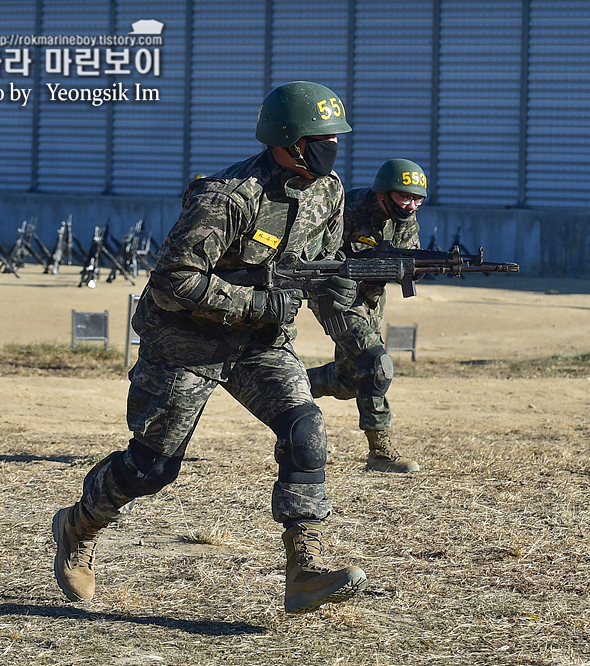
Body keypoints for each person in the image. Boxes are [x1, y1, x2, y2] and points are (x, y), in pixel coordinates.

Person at [52, 81, 367, 614]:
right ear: (288, 142)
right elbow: (175, 280)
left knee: (305, 429)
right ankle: (78, 526)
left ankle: (303, 568)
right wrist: (259, 305)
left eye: (335, 138)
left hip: (260, 346)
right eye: (321, 138)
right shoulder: (227, 197)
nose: (331, 148)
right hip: (185, 342)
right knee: (151, 469)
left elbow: (324, 269)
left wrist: (360, 317)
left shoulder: (328, 191)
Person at [306, 159, 427, 474]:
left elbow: (408, 257)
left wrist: (419, 269)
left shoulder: (406, 219)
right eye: (404, 197)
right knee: (377, 366)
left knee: (349, 381)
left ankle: (294, 385)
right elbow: (315, 254)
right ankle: (381, 454)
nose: (412, 205)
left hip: (371, 302)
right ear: (383, 193)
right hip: (334, 298)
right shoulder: (348, 209)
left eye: (418, 199)